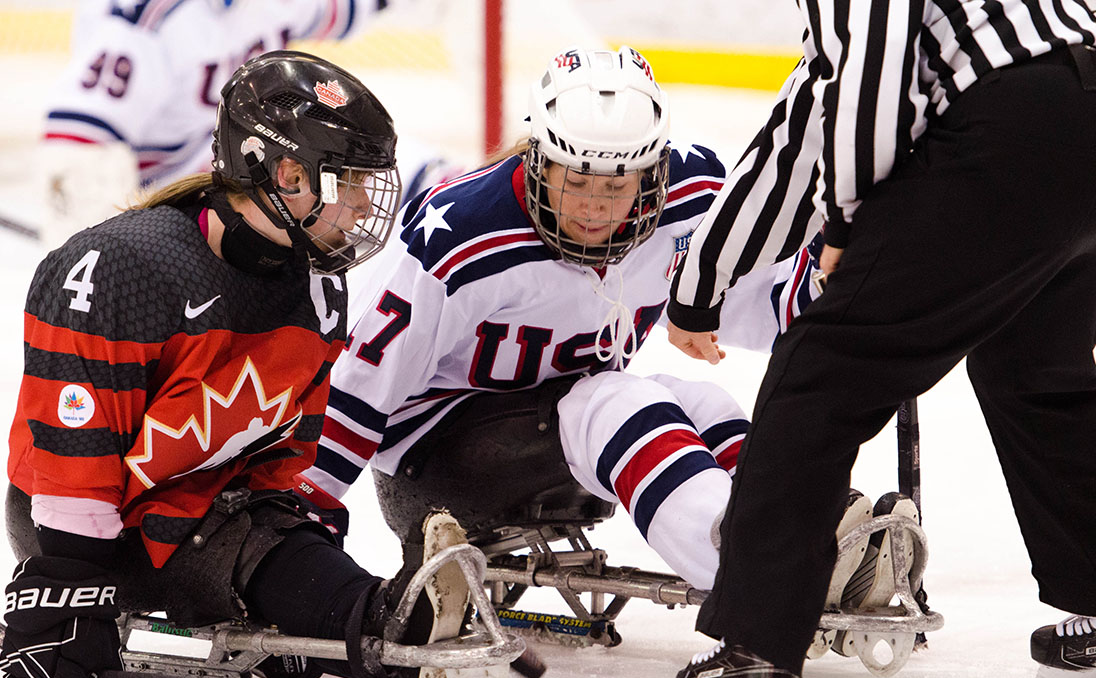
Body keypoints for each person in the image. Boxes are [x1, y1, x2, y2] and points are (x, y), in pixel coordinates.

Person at [0, 50, 475, 678]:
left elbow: (281, 454)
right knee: (230, 533)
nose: (366, 205)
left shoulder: (316, 285)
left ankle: (380, 636)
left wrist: (296, 592)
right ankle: (384, 630)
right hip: (80, 520)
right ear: (282, 173)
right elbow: (74, 445)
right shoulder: (118, 267)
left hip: (207, 497)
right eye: (350, 183)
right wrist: (67, 588)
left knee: (256, 533)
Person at [668, 0, 1096, 678]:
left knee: (819, 374)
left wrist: (845, 215)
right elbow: (819, 109)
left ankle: (758, 645)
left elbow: (866, 76)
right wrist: (706, 277)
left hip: (1011, 123)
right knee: (1033, 370)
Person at [300, 45, 833, 600]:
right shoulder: (462, 234)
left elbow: (764, 306)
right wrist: (297, 525)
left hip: (553, 430)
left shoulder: (690, 199)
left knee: (697, 401)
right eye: (574, 180)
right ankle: (760, 569)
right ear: (539, 160)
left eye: (616, 186)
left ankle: (805, 529)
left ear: (653, 175)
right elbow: (356, 390)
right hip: (433, 464)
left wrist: (840, 273)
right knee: (617, 401)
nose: (593, 207)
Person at [39, 0, 456, 248]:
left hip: (239, 153)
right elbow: (78, 140)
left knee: (424, 177)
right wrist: (95, 248)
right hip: (169, 187)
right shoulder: (149, 19)